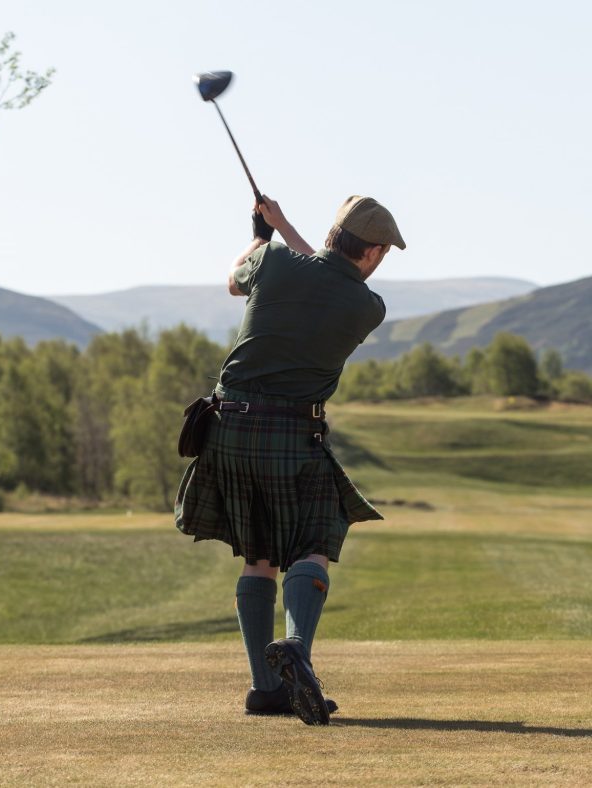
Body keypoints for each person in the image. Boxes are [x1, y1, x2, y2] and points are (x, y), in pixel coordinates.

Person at [174, 194, 405, 725]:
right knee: (314, 543)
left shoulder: (275, 262)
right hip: (293, 432)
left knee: (258, 555)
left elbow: (236, 279)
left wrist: (264, 234)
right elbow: (329, 279)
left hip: (227, 428)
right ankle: (296, 646)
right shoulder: (367, 307)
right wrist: (282, 229)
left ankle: (265, 688)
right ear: (371, 252)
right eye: (384, 251)